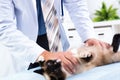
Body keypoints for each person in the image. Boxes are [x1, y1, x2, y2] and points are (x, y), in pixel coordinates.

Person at [0, 0, 109, 79]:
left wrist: (88, 36)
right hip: (23, 48)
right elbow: (4, 27)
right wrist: (44, 55)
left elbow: (76, 4)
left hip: (57, 43)